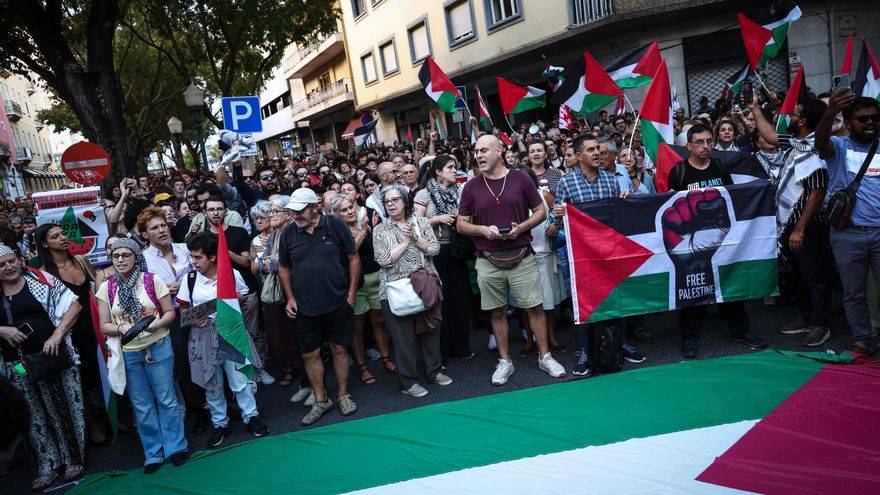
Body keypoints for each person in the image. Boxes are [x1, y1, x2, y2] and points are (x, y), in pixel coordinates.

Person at [456, 134, 566, 385]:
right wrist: (483, 230)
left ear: (500, 151)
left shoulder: (520, 178)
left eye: (484, 150)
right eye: (476, 151)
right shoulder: (471, 186)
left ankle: (545, 356)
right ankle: (505, 361)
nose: (479, 155)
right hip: (487, 259)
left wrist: (521, 228)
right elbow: (461, 224)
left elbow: (541, 211)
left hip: (523, 256)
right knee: (497, 313)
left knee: (535, 308)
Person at [666, 124, 768, 358]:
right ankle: (690, 336)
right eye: (699, 142)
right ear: (688, 146)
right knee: (692, 289)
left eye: (709, 141)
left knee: (731, 284)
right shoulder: (679, 171)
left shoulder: (720, 167)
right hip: (692, 244)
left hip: (723, 240)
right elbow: (671, 204)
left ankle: (740, 329)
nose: (706, 146)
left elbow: (733, 198)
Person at [550, 134, 646, 376]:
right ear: (578, 155)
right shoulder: (567, 183)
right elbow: (555, 222)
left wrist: (624, 201)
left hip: (608, 251)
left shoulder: (611, 180)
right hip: (582, 255)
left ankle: (619, 344)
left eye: (598, 149)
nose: (597, 153)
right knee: (586, 304)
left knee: (616, 298)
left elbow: (615, 216)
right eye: (591, 150)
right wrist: (557, 213)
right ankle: (586, 351)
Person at [95, 238, 188, 474]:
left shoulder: (151, 280)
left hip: (158, 345)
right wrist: (120, 328)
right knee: (142, 405)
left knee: (166, 398)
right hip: (128, 352)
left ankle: (176, 447)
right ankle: (153, 452)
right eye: (116, 256)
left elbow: (169, 312)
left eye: (125, 255)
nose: (120, 260)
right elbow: (104, 324)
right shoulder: (106, 287)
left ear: (136, 257)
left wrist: (157, 324)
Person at [748, 94, 833, 346]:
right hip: (790, 224)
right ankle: (805, 317)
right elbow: (771, 136)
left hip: (807, 226)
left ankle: (820, 324)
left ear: (803, 121)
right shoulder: (798, 142)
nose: (790, 118)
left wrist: (800, 228)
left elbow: (817, 192)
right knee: (799, 274)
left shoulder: (815, 149)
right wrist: (755, 108)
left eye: (794, 115)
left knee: (814, 276)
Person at [0, 246, 85, 491]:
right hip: (15, 365)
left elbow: (74, 306)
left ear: (19, 260)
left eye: (11, 261)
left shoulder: (40, 280)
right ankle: (47, 465)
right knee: (31, 415)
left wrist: (57, 335)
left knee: (63, 408)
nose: (9, 267)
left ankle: (73, 459)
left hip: (52, 357)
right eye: (2, 265)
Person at [177, 233, 269, 448]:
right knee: (211, 382)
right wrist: (193, 320)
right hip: (203, 335)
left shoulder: (231, 274)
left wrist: (232, 298)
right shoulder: (190, 279)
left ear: (212, 257)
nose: (193, 262)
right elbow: (183, 309)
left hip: (231, 331)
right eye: (192, 257)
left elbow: (244, 296)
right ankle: (220, 423)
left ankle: (250, 416)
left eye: (198, 257)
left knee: (240, 376)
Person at [278, 187, 360, 426]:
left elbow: (353, 258)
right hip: (304, 308)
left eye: (300, 210)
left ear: (315, 207)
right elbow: (283, 266)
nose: (295, 215)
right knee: (310, 354)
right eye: (292, 211)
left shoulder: (335, 225)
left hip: (338, 302)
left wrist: (351, 294)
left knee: (339, 349)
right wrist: (290, 298)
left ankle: (343, 395)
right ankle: (321, 400)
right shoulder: (288, 232)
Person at [815, 92, 880, 355]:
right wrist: (830, 112)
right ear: (850, 123)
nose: (870, 122)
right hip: (847, 235)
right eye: (862, 119)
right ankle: (862, 341)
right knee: (854, 293)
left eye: (875, 118)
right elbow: (820, 143)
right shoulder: (839, 147)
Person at [33, 224, 109, 445]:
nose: (63, 238)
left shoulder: (82, 261)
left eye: (63, 233)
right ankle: (92, 428)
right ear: (45, 243)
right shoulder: (45, 273)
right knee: (81, 378)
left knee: (102, 372)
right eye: (55, 236)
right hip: (72, 331)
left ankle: (112, 419)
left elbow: (98, 291)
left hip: (95, 325)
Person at [137, 207, 209, 432]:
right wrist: (160, 291)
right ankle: (197, 410)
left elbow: (204, 273)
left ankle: (220, 403)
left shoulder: (185, 249)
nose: (162, 230)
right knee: (182, 365)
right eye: (154, 228)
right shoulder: (143, 260)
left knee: (208, 356)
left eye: (163, 225)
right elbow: (140, 292)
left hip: (196, 310)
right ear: (145, 235)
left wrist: (189, 283)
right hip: (170, 317)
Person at [374, 184, 449, 397]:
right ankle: (408, 382)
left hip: (425, 285)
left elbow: (434, 248)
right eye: (387, 201)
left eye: (395, 200)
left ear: (405, 201)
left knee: (431, 330)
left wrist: (416, 237)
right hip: (395, 290)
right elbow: (384, 260)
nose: (391, 204)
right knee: (403, 339)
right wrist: (406, 241)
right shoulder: (380, 229)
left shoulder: (421, 222)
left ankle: (434, 371)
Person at [330, 194, 397, 385]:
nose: (349, 211)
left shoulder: (366, 224)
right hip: (356, 285)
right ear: (337, 214)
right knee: (358, 328)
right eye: (344, 210)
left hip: (376, 279)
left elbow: (378, 249)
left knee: (379, 321)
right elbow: (350, 250)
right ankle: (362, 368)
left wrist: (374, 229)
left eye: (350, 207)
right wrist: (365, 230)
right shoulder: (338, 232)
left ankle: (385, 359)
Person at [414, 155, 474, 361]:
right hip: (434, 252)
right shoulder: (424, 193)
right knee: (439, 300)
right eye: (450, 167)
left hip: (456, 249)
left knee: (459, 299)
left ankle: (461, 347)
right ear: (438, 172)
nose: (455, 171)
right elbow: (415, 224)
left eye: (455, 167)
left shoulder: (460, 192)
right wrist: (438, 219)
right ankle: (442, 351)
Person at [258, 197, 302, 391]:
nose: (271, 215)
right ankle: (289, 367)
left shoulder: (294, 233)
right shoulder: (274, 234)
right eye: (271, 211)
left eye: (276, 211)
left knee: (297, 332)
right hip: (277, 292)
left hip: (295, 289)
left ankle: (305, 374)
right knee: (280, 332)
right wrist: (269, 262)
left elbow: (288, 261)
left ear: (288, 213)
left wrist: (272, 262)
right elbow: (262, 262)